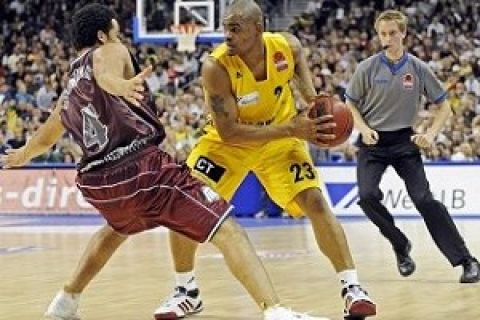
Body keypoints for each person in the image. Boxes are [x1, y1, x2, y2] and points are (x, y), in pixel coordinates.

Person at [28, 1, 377, 319]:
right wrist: (294, 127)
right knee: (184, 205)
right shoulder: (216, 66)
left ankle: (351, 287)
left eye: (235, 27)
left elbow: (300, 72)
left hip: (282, 137)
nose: (227, 34)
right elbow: (230, 133)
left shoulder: (288, 46)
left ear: (259, 28)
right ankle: (186, 289)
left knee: (315, 201)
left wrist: (315, 105)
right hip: (230, 142)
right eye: (225, 26)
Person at [345, 9, 479, 283]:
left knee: (424, 200)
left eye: (393, 33)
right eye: (382, 34)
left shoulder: (418, 68)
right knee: (367, 196)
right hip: (373, 141)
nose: (387, 38)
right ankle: (400, 245)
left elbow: (443, 107)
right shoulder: (366, 68)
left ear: (403, 33)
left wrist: (429, 135)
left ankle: (467, 260)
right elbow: (350, 104)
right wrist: (364, 128)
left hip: (404, 140)